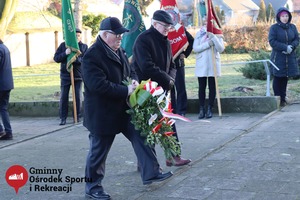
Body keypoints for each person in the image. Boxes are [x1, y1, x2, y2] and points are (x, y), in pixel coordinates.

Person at [82, 17, 173, 200]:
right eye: (117, 35)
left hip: (123, 109)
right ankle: (92, 188)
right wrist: (126, 90)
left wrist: (133, 80)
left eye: (122, 35)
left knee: (142, 134)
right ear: (105, 34)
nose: (120, 38)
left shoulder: (118, 50)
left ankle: (151, 172)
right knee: (98, 151)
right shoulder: (91, 56)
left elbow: (129, 69)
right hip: (102, 114)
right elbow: (98, 86)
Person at [131, 10, 191, 167]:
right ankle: (145, 162)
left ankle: (173, 155)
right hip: (146, 89)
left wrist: (170, 79)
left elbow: (172, 64)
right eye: (164, 26)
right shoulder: (142, 40)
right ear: (154, 23)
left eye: (169, 27)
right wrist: (166, 80)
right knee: (148, 125)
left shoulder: (165, 40)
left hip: (163, 88)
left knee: (168, 122)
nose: (167, 30)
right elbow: (146, 66)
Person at [53, 28, 88, 125]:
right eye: (74, 36)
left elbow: (84, 60)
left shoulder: (83, 47)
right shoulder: (63, 46)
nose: (76, 37)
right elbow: (56, 58)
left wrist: (74, 58)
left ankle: (77, 116)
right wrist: (66, 53)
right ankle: (63, 118)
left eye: (78, 36)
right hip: (65, 75)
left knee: (77, 97)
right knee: (64, 97)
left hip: (78, 76)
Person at [193, 18, 225, 119]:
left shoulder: (218, 34)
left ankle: (210, 109)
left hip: (213, 64)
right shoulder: (199, 34)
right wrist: (208, 44)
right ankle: (201, 109)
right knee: (202, 87)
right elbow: (195, 48)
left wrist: (214, 38)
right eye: (205, 22)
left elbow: (221, 49)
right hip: (202, 64)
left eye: (209, 22)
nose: (207, 24)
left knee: (212, 87)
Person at [268, 7, 299, 107]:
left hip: (289, 56)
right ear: (279, 17)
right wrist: (284, 47)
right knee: (278, 77)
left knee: (285, 77)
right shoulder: (274, 28)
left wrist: (291, 47)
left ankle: (283, 98)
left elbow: (297, 39)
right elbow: (272, 41)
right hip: (278, 56)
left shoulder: (292, 27)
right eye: (283, 16)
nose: (285, 18)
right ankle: (278, 99)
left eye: (286, 16)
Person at [172, 27, 194, 117]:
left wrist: (185, 54)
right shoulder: (163, 29)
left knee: (180, 87)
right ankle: (172, 110)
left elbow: (191, 40)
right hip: (166, 64)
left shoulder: (179, 28)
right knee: (170, 89)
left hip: (178, 63)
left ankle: (182, 111)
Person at [0, 39, 14, 140]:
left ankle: (1, 130)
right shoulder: (5, 48)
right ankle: (8, 131)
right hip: (7, 84)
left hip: (1, 84)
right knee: (3, 108)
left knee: (3, 108)